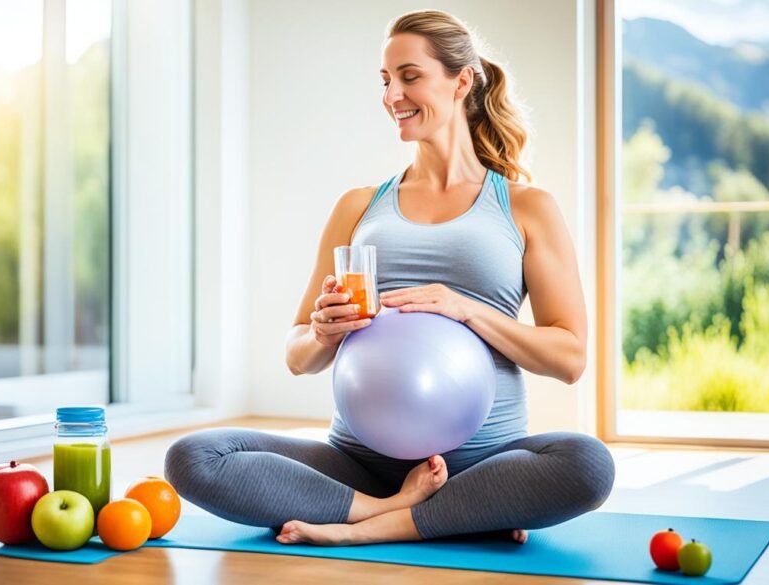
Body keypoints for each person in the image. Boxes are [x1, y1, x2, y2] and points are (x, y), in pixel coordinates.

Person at [165, 9, 615, 546]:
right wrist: (324, 332)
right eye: (385, 80)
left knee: (588, 464)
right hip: (357, 461)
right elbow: (297, 354)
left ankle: (373, 527)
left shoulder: (526, 207)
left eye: (409, 76)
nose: (392, 95)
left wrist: (466, 308)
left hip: (479, 461)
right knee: (193, 457)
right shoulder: (358, 206)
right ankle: (401, 508)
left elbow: (569, 357)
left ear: (461, 81)